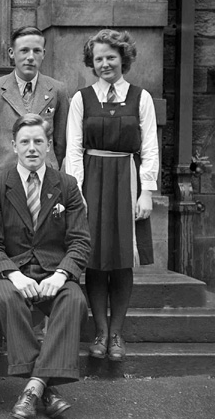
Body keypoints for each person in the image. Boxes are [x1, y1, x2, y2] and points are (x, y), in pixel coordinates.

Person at [0, 114, 90, 419]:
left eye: (38, 142)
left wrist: (61, 275)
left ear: (48, 147)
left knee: (73, 299)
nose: (32, 148)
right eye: (25, 142)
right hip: (12, 270)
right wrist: (13, 274)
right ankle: (45, 390)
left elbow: (80, 241)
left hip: (52, 270)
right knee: (6, 298)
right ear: (13, 146)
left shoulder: (67, 185)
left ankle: (32, 388)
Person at [65, 29, 159, 362]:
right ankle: (100, 333)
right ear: (92, 62)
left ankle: (117, 333)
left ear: (124, 59)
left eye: (111, 57)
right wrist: (77, 191)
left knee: (120, 260)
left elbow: (150, 147)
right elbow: (74, 149)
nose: (105, 63)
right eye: (99, 58)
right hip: (92, 180)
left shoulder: (141, 97)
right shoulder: (82, 98)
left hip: (127, 181)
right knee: (94, 259)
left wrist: (146, 191)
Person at [0, 26, 69, 177]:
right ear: (12, 53)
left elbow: (60, 140)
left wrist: (51, 162)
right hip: (3, 172)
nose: (30, 57)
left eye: (36, 51)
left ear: (43, 54)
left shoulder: (57, 90)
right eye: (24, 50)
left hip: (44, 173)